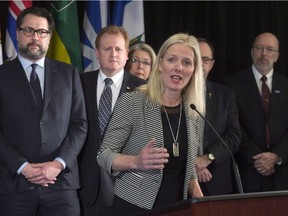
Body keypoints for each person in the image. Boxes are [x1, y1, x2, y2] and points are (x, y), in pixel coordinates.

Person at [97, 33, 205, 216]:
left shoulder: (193, 112)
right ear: (160, 64)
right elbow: (104, 155)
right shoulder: (133, 102)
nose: (178, 68)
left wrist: (204, 205)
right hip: (134, 207)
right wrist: (136, 162)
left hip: (177, 208)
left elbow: (188, 171)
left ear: (194, 70)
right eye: (172, 60)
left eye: (187, 62)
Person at [0, 7, 87, 216]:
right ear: (18, 33)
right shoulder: (2, 76)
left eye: (41, 32)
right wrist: (23, 167)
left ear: (49, 37)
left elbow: (80, 124)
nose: (35, 37)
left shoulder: (69, 73)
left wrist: (58, 164)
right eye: (28, 30)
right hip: (14, 183)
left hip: (61, 182)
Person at [78, 25, 146, 216]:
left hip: (126, 185)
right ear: (97, 53)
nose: (113, 54)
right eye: (107, 49)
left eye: (118, 49)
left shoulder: (144, 89)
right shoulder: (80, 83)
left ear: (126, 54)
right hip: (86, 184)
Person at [226, 32, 288, 192]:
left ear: (277, 56)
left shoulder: (286, 85)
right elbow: (233, 126)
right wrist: (258, 158)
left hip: (283, 171)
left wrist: (277, 156)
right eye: (259, 48)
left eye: (270, 49)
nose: (264, 54)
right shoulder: (233, 84)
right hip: (248, 170)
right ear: (252, 51)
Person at [196, 38, 241, 195]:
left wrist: (208, 158)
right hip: (181, 180)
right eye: (196, 57)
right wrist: (193, 165)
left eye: (205, 59)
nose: (200, 64)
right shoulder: (174, 93)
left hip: (217, 179)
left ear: (211, 64)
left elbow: (234, 136)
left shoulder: (225, 95)